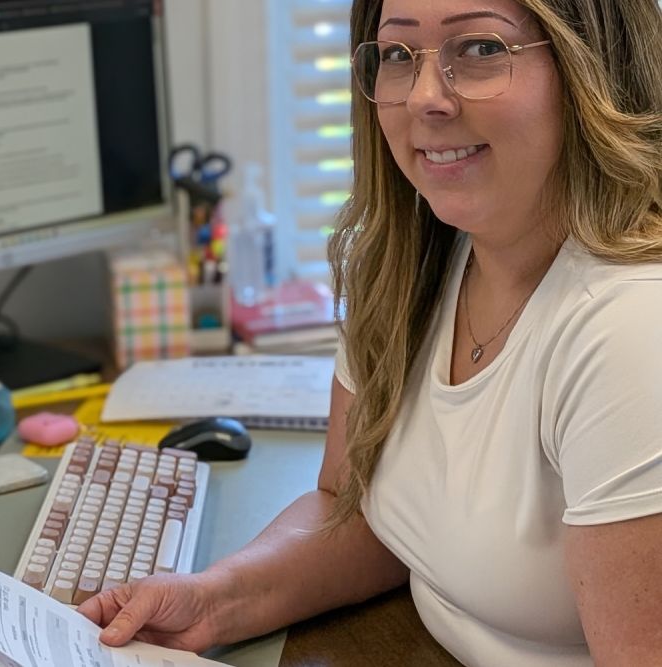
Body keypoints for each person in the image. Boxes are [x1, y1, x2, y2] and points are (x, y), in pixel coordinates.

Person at [77, 0, 662, 664]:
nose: (426, 98)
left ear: (593, 69)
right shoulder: (409, 260)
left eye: (479, 49)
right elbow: (357, 509)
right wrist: (215, 599)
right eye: (397, 55)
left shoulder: (631, 328)